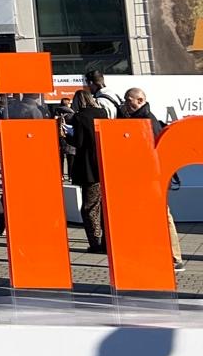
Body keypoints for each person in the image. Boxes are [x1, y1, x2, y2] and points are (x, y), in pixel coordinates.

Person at [118, 87, 185, 273]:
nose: (125, 104)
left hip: (152, 178)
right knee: (156, 216)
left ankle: (174, 258)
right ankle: (164, 255)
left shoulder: (146, 120)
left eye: (128, 100)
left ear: (139, 100)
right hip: (150, 177)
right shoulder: (141, 118)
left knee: (162, 216)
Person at [0, 92, 46, 238]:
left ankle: (1, 224)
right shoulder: (36, 111)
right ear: (36, 96)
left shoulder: (12, 109)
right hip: (30, 158)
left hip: (13, 156)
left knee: (8, 193)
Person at [70, 84, 109, 253]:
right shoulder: (102, 113)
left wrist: (65, 136)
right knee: (101, 204)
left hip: (88, 169)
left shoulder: (79, 117)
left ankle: (95, 242)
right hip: (103, 165)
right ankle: (106, 241)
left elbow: (78, 143)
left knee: (89, 207)